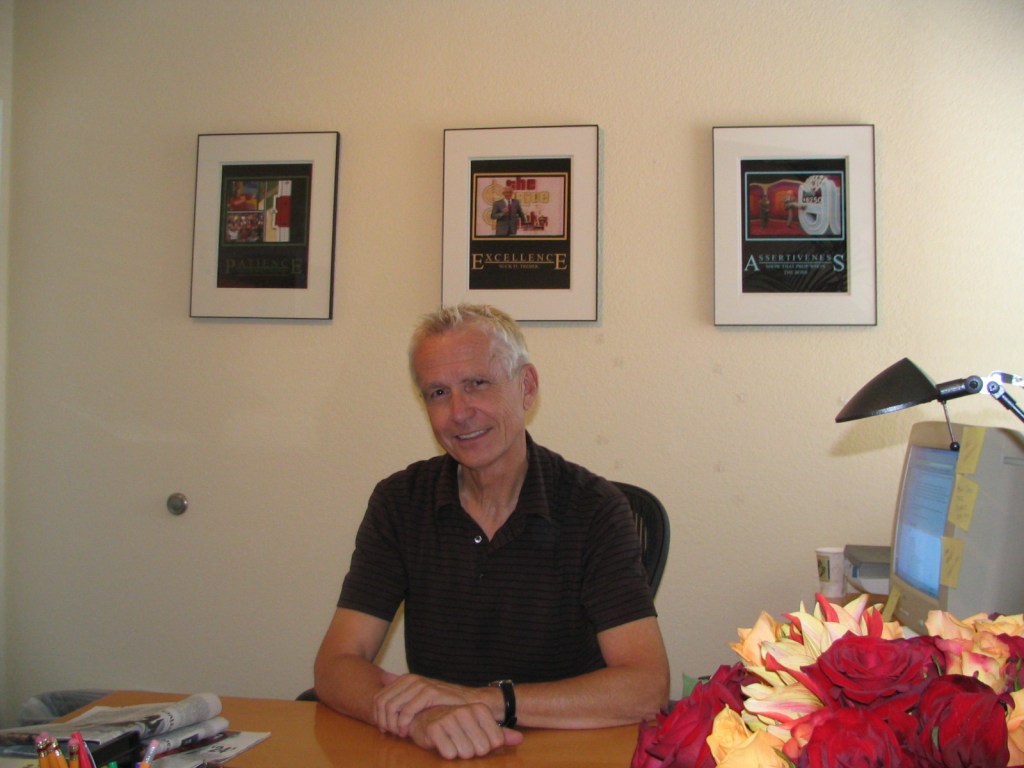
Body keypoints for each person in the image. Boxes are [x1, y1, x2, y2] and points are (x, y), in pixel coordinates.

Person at [313, 303, 670, 760]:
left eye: (477, 384)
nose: (459, 412)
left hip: (567, 750)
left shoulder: (595, 508)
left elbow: (645, 687)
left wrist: (485, 700)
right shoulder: (400, 502)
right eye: (438, 392)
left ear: (527, 387)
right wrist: (423, 717)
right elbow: (336, 665)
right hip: (444, 751)